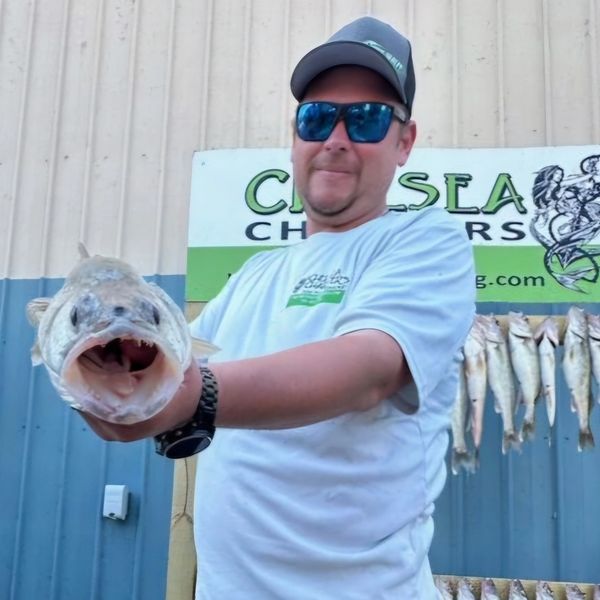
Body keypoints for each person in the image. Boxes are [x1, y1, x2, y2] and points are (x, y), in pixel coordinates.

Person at [86, 15, 476, 599]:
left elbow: (367, 368)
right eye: (317, 117)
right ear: (296, 135)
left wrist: (188, 397)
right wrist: (107, 377)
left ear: (404, 142)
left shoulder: (425, 241)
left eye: (367, 119)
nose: (335, 139)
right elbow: (169, 366)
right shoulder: (254, 275)